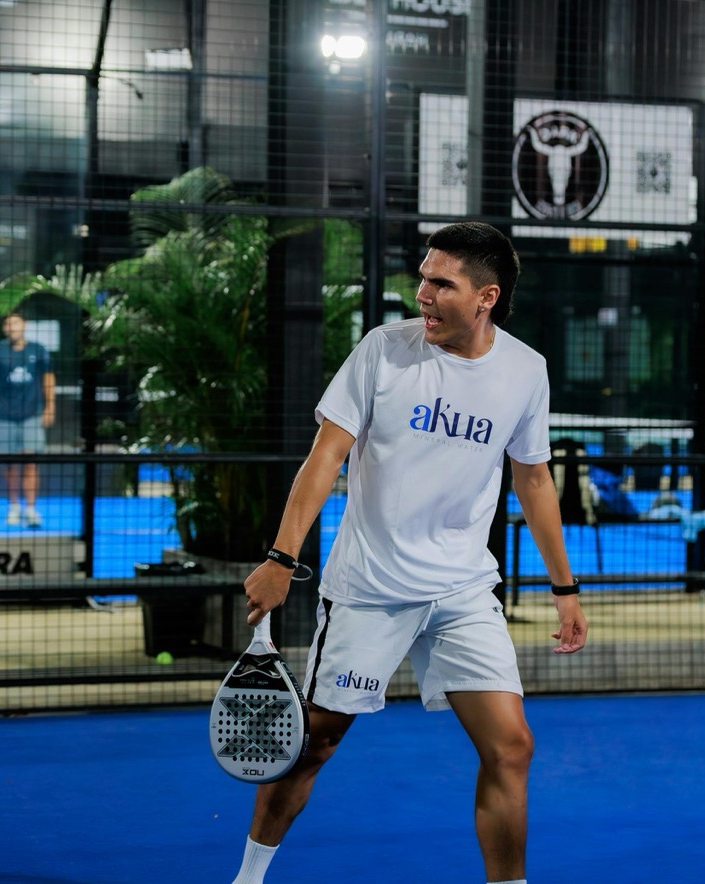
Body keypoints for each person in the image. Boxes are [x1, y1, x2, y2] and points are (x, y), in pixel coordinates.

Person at [231, 222, 588, 884]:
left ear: (486, 297)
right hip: (371, 588)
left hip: (462, 591)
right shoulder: (382, 351)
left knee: (512, 747)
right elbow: (325, 459)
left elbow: (534, 479)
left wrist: (564, 590)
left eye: (440, 283)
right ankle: (248, 878)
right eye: (423, 278)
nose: (422, 293)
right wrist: (281, 558)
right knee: (314, 743)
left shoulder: (525, 370)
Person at [0, 307, 56, 527]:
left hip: (31, 416)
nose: (12, 328)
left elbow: (48, 379)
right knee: (10, 465)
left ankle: (31, 509)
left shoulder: (38, 350)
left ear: (24, 325)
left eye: (16, 323)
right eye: (8, 324)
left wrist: (50, 407)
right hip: (4, 416)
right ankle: (14, 506)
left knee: (31, 463)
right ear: (4, 328)